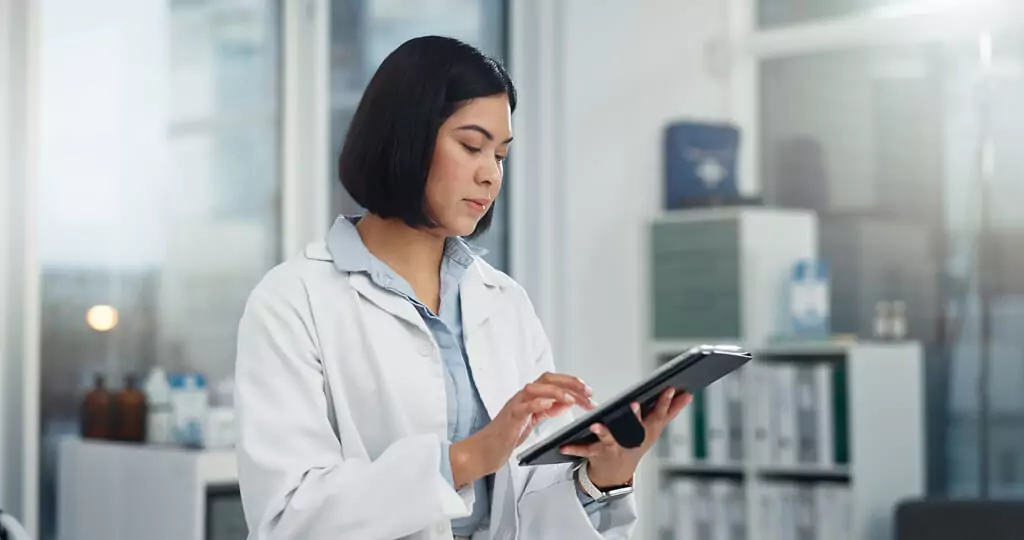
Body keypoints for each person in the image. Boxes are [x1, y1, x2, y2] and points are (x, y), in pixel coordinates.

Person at [234, 35, 691, 540]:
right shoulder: (293, 302)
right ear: (404, 137)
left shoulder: (503, 303)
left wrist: (604, 475)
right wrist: (468, 457)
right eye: (472, 146)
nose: (490, 174)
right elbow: (289, 517)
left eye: (500, 156)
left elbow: (523, 505)